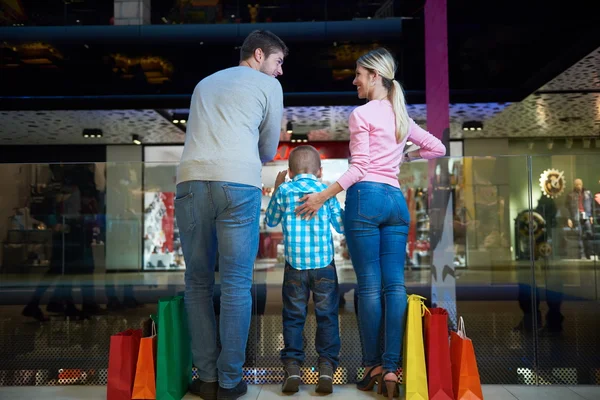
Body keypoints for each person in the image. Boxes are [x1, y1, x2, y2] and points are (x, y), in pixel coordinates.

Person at [294, 48, 446, 399]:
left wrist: (322, 196)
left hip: (365, 200)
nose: (355, 80)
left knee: (369, 287)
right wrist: (404, 155)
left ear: (375, 76)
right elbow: (436, 147)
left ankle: (373, 365)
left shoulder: (361, 114)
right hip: (396, 201)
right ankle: (393, 369)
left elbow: (360, 168)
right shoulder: (401, 116)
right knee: (395, 287)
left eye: (359, 74)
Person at [174, 30, 288, 400]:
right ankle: (229, 381)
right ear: (259, 55)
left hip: (190, 183)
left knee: (198, 282)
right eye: (278, 62)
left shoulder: (203, 84)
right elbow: (269, 148)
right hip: (237, 184)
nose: (280, 71)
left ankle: (205, 378)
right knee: (237, 283)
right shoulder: (267, 86)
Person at [264, 145, 344, 395]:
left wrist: (277, 188)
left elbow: (271, 221)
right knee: (327, 316)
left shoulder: (285, 190)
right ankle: (326, 369)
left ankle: (293, 368)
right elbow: (340, 226)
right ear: (320, 172)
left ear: (288, 171)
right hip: (323, 266)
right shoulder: (326, 190)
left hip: (294, 267)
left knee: (293, 317)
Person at [566, 178, 593, 259]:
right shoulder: (570, 195)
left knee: (589, 233)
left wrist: (591, 216)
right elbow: (567, 207)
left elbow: (592, 205)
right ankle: (582, 255)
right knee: (579, 235)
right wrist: (569, 218)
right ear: (574, 185)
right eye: (577, 184)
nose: (579, 186)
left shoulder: (587, 193)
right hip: (576, 216)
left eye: (580, 184)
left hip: (586, 215)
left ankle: (590, 253)